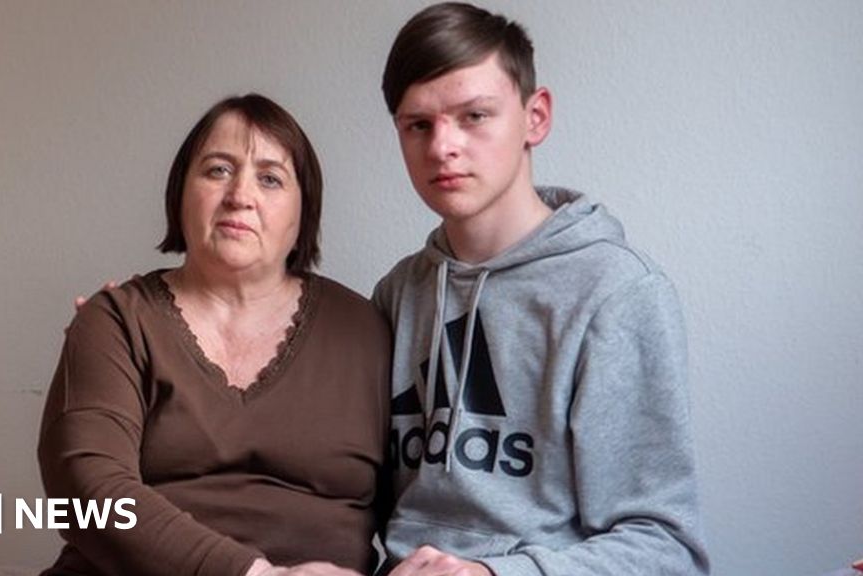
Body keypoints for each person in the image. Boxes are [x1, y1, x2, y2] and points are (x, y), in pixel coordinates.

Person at [371, 3, 710, 575]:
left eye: (474, 116)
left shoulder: (617, 292)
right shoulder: (398, 293)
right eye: (418, 125)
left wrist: (492, 573)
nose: (442, 147)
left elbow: (667, 549)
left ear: (536, 117)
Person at [38, 94, 391, 576]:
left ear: (304, 210)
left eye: (270, 178)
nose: (240, 195)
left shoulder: (367, 331)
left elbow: (427, 495)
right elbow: (86, 488)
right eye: (218, 170)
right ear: (180, 192)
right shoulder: (117, 320)